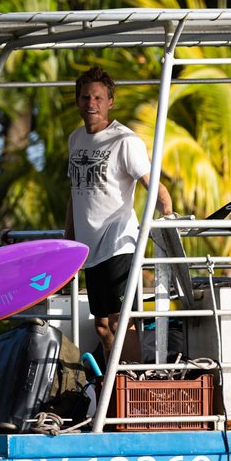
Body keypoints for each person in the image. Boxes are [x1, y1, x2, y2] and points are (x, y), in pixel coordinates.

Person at [65, 66, 173, 367]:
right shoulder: (75, 139)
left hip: (118, 245)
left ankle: (132, 385)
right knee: (102, 327)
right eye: (85, 97)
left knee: (122, 322)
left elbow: (153, 184)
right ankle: (115, 387)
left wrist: (168, 214)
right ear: (78, 101)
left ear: (110, 101)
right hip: (89, 250)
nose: (91, 103)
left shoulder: (125, 140)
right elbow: (74, 194)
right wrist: (68, 241)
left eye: (98, 98)